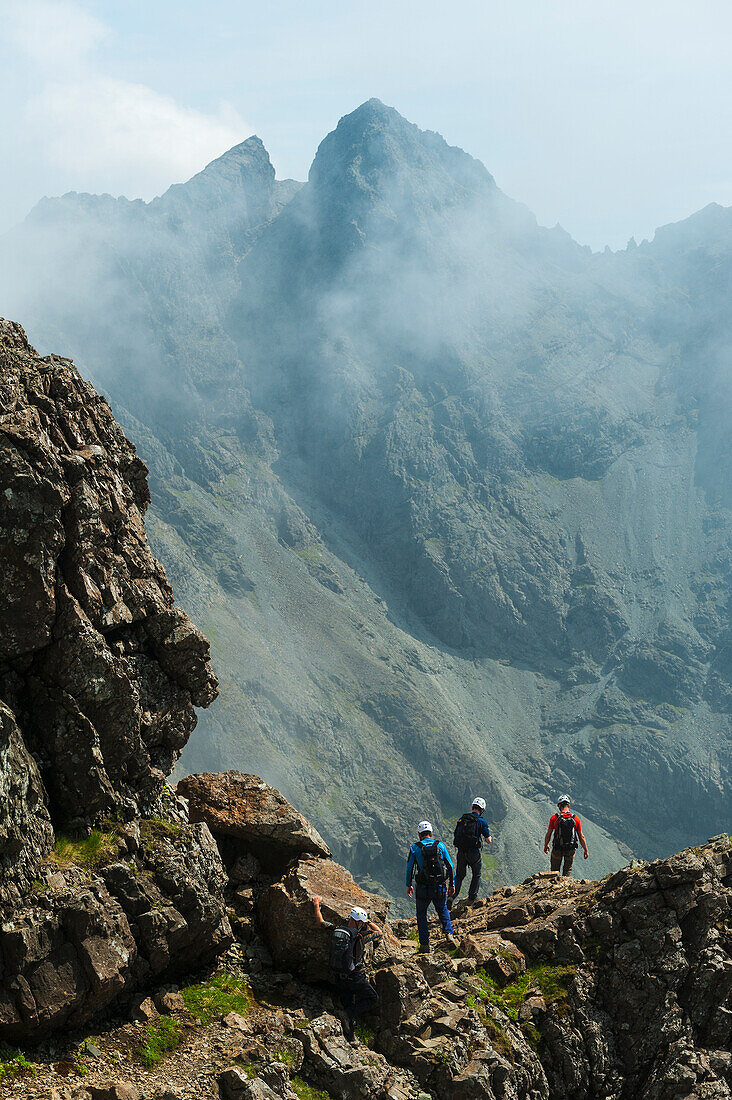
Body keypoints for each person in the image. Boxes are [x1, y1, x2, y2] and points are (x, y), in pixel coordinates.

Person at [312, 895, 381, 1042]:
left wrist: (316, 904)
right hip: (355, 977)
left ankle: (350, 1037)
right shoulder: (360, 936)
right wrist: (367, 922)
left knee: (348, 1002)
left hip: (339, 976)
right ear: (359, 922)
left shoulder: (338, 930)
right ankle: (346, 1017)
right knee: (373, 998)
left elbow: (320, 922)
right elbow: (379, 932)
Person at [406, 820, 458, 952]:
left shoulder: (414, 848)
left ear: (419, 835)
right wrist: (452, 884)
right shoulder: (440, 845)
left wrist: (408, 884)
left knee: (421, 914)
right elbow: (450, 866)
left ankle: (424, 945)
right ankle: (449, 934)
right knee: (442, 909)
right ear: (431, 833)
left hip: (423, 887)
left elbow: (409, 869)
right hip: (439, 886)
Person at [451, 796, 492, 906]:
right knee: (476, 874)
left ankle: (451, 897)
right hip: (473, 852)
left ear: (473, 807)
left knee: (459, 876)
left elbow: (455, 834)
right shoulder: (481, 821)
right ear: (482, 810)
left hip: (461, 852)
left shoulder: (463, 819)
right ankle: (472, 896)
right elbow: (488, 841)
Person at [544, 795, 589, 876]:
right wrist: (585, 850)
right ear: (569, 805)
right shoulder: (576, 819)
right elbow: (581, 836)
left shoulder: (554, 818)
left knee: (554, 870)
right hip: (570, 848)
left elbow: (549, 834)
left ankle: (554, 886)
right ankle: (565, 885)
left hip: (557, 847)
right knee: (567, 870)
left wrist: (546, 845)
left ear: (559, 806)